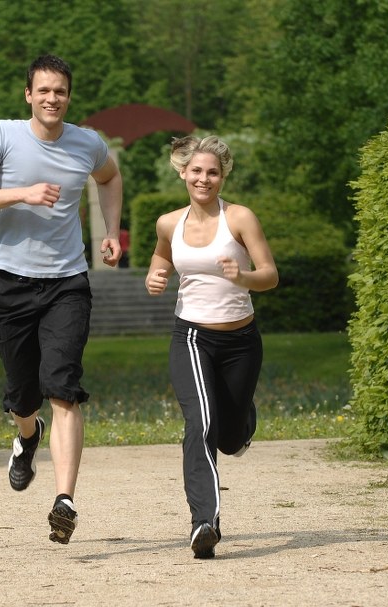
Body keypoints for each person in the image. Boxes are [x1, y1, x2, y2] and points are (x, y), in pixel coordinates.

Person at [0, 54, 123, 545]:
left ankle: (64, 500)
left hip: (68, 282)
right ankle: (27, 436)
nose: (53, 99)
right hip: (13, 283)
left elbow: (110, 178)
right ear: (29, 95)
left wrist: (111, 230)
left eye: (61, 91)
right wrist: (20, 194)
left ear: (70, 97)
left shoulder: (88, 142)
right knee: (22, 395)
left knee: (63, 387)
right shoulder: (3, 135)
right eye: (44, 90)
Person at [145, 135, 278, 559]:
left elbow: (270, 274)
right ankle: (205, 521)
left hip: (240, 341)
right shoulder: (169, 222)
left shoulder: (240, 218)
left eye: (213, 172)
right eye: (197, 171)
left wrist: (242, 277)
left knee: (230, 436)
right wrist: (156, 276)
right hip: (191, 337)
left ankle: (240, 420)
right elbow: (163, 257)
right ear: (183, 172)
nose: (204, 178)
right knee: (199, 423)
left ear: (223, 176)